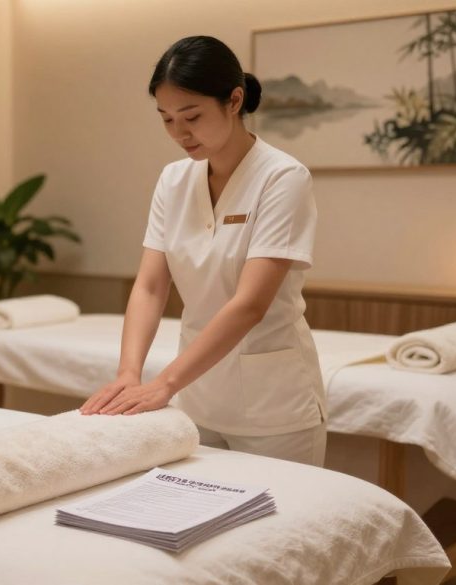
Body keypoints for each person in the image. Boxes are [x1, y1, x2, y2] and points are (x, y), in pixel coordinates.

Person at [80, 36, 326, 466]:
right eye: (167, 119)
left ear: (234, 101)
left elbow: (249, 304)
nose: (179, 133)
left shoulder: (283, 178)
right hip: (197, 395)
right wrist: (129, 373)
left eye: (191, 116)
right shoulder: (173, 181)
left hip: (272, 408)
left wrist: (165, 383)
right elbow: (151, 286)